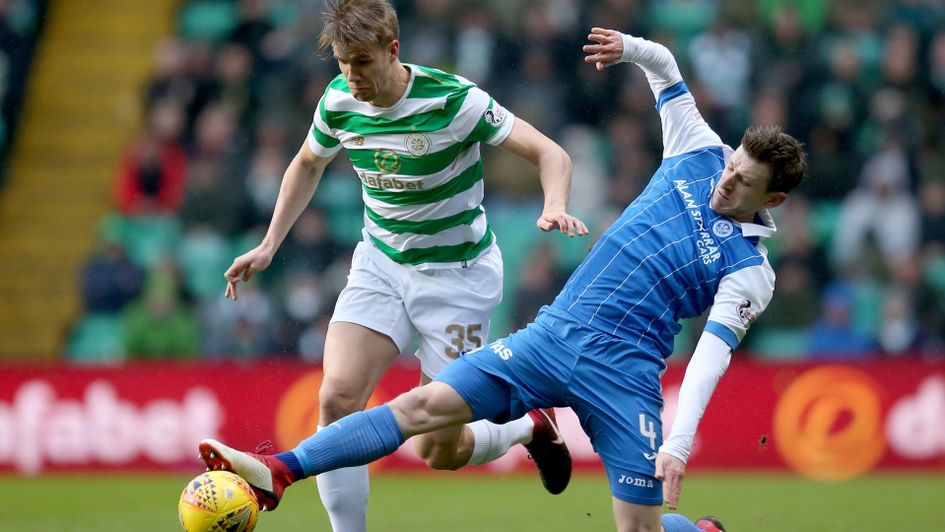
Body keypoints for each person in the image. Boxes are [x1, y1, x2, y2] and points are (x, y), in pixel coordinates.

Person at [201, 27, 807, 531]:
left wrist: (677, 445)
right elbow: (667, 68)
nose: (725, 180)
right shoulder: (699, 150)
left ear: (772, 197)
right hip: (550, 337)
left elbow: (707, 359)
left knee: (638, 531)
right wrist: (630, 48)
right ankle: (278, 472)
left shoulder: (750, 272)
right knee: (420, 409)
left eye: (743, 182)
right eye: (731, 165)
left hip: (625, 375)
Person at [220, 1, 588, 530]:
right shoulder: (339, 100)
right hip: (382, 264)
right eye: (343, 63)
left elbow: (552, 153)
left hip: (458, 279)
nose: (353, 76)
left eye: (363, 62)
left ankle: (527, 428)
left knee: (440, 451)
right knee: (336, 398)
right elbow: (306, 163)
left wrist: (553, 205)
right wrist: (270, 243)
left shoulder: (454, 100)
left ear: (393, 51)